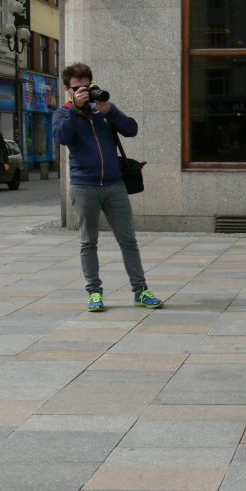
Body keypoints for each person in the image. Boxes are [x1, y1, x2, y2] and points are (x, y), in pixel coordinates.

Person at [53, 62, 163, 313]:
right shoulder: (63, 113)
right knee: (88, 242)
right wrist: (75, 110)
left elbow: (131, 129)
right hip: (84, 186)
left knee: (128, 240)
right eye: (77, 87)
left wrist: (110, 110)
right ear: (68, 90)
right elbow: (61, 137)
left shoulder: (103, 112)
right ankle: (94, 292)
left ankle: (141, 290)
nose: (83, 91)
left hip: (114, 185)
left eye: (86, 86)